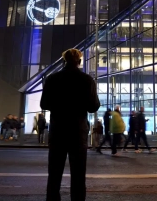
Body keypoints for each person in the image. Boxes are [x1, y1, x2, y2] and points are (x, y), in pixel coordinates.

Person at [40, 48, 100, 201]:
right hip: (77, 131)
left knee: (54, 174)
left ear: (64, 60)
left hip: (58, 130)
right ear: (79, 62)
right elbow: (93, 106)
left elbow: (44, 103)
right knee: (78, 174)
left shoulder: (52, 79)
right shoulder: (87, 80)